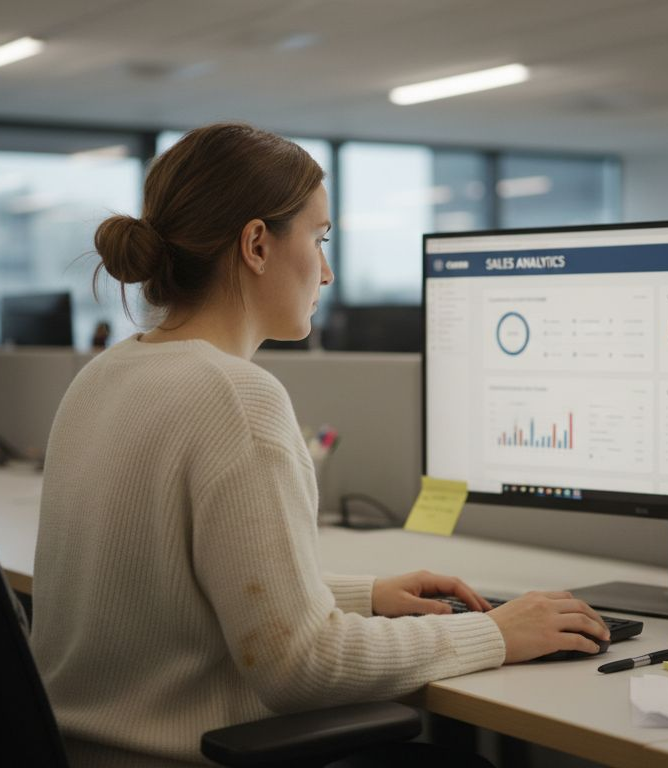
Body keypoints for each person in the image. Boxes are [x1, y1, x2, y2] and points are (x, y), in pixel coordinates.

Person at [30, 123, 610, 767]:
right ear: (257, 244)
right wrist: (495, 632)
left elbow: (164, 593)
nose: (328, 272)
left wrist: (365, 596)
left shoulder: (103, 375)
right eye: (320, 238)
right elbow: (303, 668)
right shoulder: (236, 397)